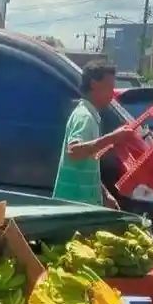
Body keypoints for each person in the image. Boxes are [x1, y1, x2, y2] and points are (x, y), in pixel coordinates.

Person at [52, 60, 135, 208]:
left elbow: (87, 164)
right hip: (73, 206)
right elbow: (74, 151)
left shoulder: (90, 114)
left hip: (82, 204)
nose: (112, 93)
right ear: (94, 84)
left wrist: (105, 195)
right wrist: (113, 138)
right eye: (109, 87)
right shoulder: (84, 116)